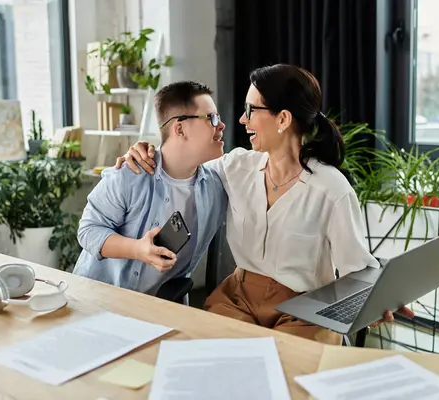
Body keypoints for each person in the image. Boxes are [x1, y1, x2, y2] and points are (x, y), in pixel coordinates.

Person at [116, 64, 413, 344]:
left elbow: (357, 269)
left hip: (305, 309)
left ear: (283, 119)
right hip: (238, 299)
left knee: (287, 369)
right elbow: (181, 165)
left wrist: (379, 298)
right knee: (211, 357)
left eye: (251, 110)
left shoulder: (332, 189)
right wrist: (146, 152)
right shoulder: (235, 166)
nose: (243, 120)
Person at [73, 81, 228, 297]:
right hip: (100, 300)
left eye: (218, 118)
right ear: (180, 128)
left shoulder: (216, 187)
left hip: (160, 308)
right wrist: (138, 250)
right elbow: (88, 231)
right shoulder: (130, 174)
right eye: (211, 118)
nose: (221, 126)